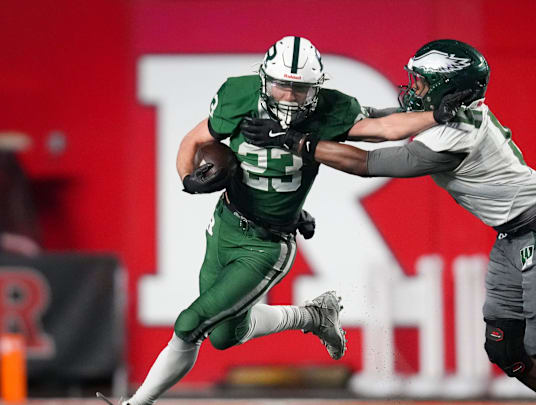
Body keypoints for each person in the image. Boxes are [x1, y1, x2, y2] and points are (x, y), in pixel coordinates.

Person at [242, 39, 536, 405]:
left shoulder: (455, 133)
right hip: (512, 236)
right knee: (505, 351)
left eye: (422, 82)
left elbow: (369, 163)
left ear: (448, 88)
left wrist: (294, 142)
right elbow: (378, 120)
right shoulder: (450, 112)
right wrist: (315, 122)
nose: (413, 88)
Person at [98, 36, 470, 405]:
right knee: (225, 335)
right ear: (264, 80)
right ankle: (312, 316)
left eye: (300, 88)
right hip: (225, 223)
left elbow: (385, 129)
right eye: (282, 85)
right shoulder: (238, 94)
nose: (290, 96)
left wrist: (437, 116)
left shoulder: (331, 108)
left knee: (189, 324)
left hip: (266, 244)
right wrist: (188, 179)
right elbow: (193, 141)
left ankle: (136, 403)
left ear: (316, 87)